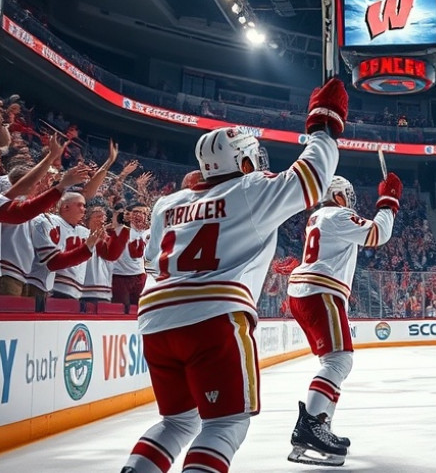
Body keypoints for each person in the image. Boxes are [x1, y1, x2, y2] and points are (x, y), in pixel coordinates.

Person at [121, 77, 347, 473]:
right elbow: (313, 177)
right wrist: (322, 126)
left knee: (176, 421)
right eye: (252, 158)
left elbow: (151, 263)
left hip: (155, 321)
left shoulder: (166, 204)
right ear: (242, 163)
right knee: (226, 423)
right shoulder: (250, 188)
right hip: (213, 318)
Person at [285, 172, 402, 466]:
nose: (350, 203)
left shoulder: (318, 218)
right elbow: (378, 234)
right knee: (339, 361)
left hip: (306, 290)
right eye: (348, 198)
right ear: (340, 196)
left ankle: (321, 426)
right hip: (320, 291)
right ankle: (310, 426)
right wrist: (388, 202)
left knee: (334, 362)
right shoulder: (336, 215)